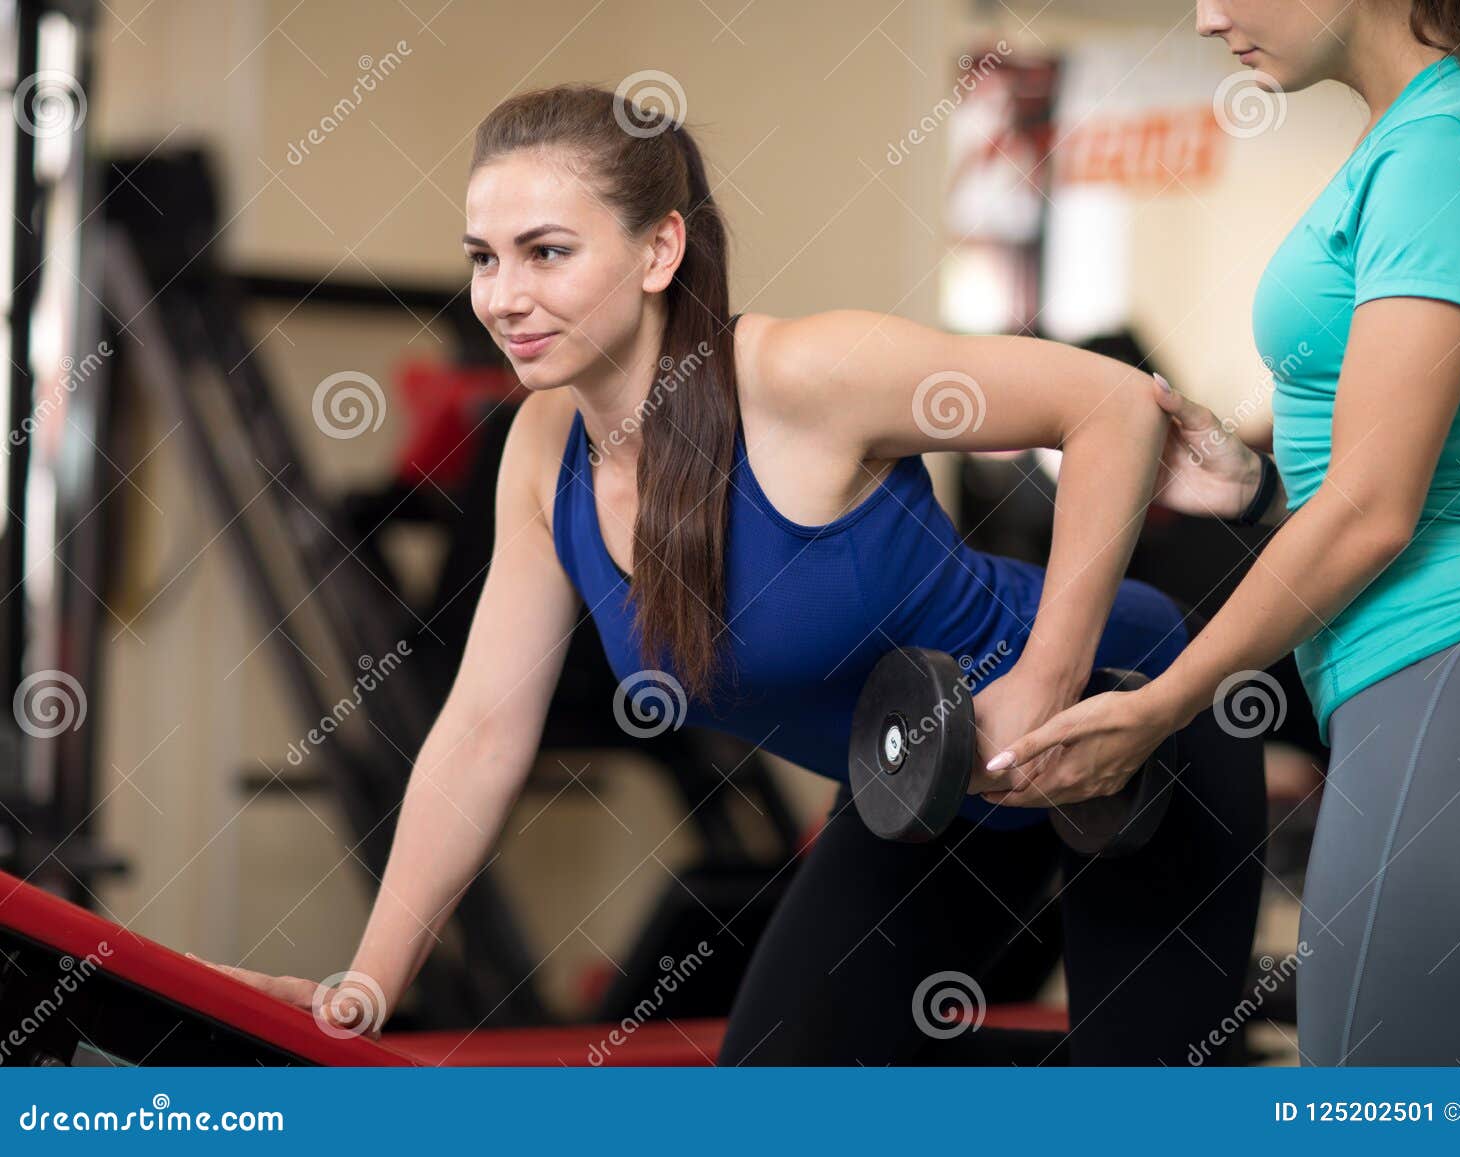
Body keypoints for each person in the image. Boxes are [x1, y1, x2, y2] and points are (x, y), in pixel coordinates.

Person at [202, 82, 1267, 1065]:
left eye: (546, 252)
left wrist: (1040, 680)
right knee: (772, 1096)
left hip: (1127, 714)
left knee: (1141, 1108)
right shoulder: (541, 451)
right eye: (484, 256)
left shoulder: (799, 375)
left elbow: (1113, 406)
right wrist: (371, 977)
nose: (503, 295)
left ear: (660, 249)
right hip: (922, 786)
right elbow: (482, 726)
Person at [989, 0, 1460, 1065]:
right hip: (1429, 695)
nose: (1204, 14)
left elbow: (1372, 511)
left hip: (1453, 696)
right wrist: (1253, 470)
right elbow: (1381, 454)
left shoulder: (1449, 146)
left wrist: (1165, 700)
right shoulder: (1422, 133)